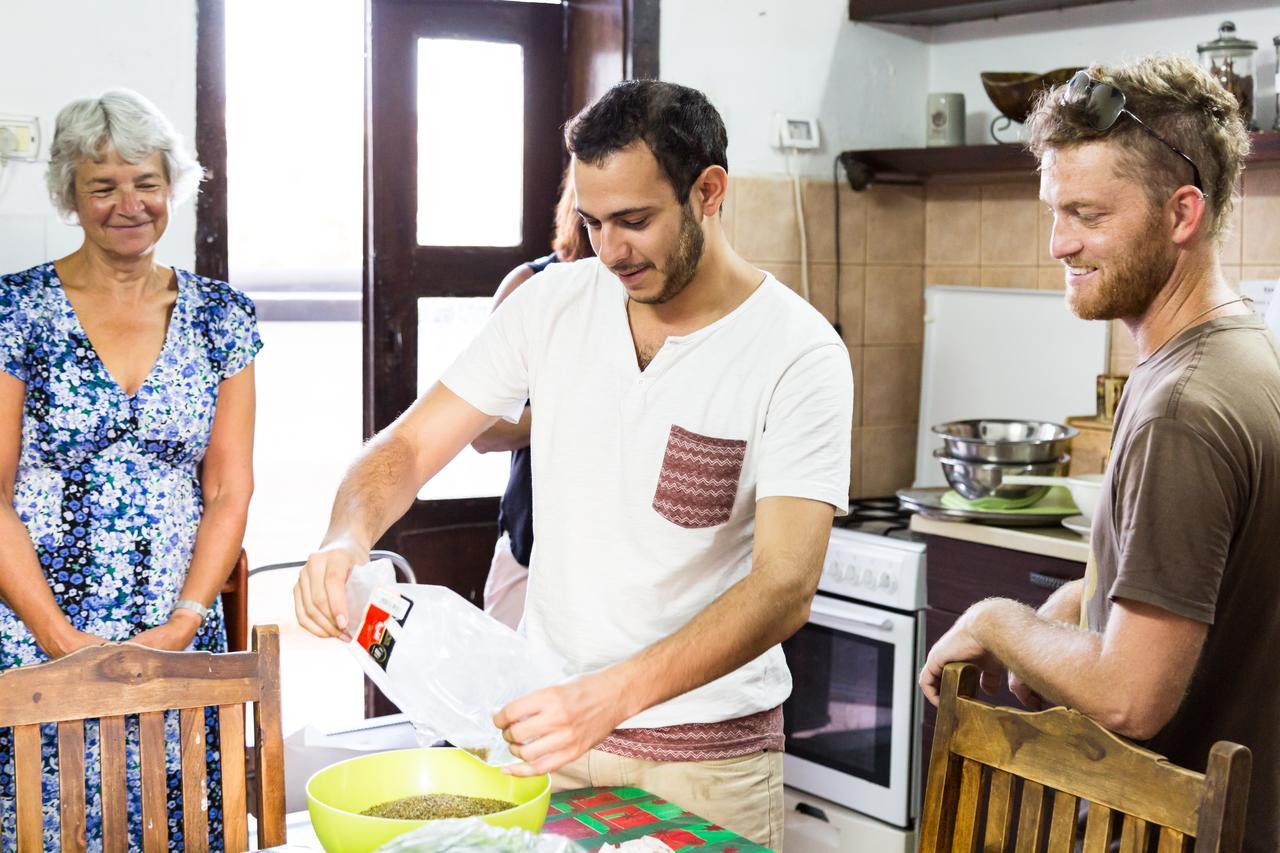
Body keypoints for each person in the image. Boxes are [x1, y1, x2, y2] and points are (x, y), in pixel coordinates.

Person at [295, 79, 853, 845]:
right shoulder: (552, 304)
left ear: (709, 191)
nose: (610, 250)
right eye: (593, 222)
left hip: (705, 762)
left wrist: (608, 698)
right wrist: (344, 535)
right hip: (548, 747)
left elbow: (784, 585)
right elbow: (409, 444)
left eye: (635, 220)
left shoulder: (798, 352)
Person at [918, 55, 1280, 850]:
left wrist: (995, 618)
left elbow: (1131, 696)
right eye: (1054, 210)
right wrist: (1080, 603)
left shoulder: (1182, 407)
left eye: (1086, 213)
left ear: (1181, 213)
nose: (1058, 243)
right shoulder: (1241, 354)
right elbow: (1205, 575)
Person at [0, 90, 260, 849]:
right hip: (37, 628)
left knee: (180, 827)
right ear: (70, 196)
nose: (129, 204)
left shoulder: (222, 315)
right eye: (102, 185)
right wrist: (57, 635)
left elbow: (228, 487)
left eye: (146, 181)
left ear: (171, 185)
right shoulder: (15, 311)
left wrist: (183, 622)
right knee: (53, 828)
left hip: (176, 632)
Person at [471, 170, 591, 630]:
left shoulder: (657, 299)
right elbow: (482, 431)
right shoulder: (531, 286)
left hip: (615, 566)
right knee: (507, 691)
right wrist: (575, 409)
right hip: (530, 545)